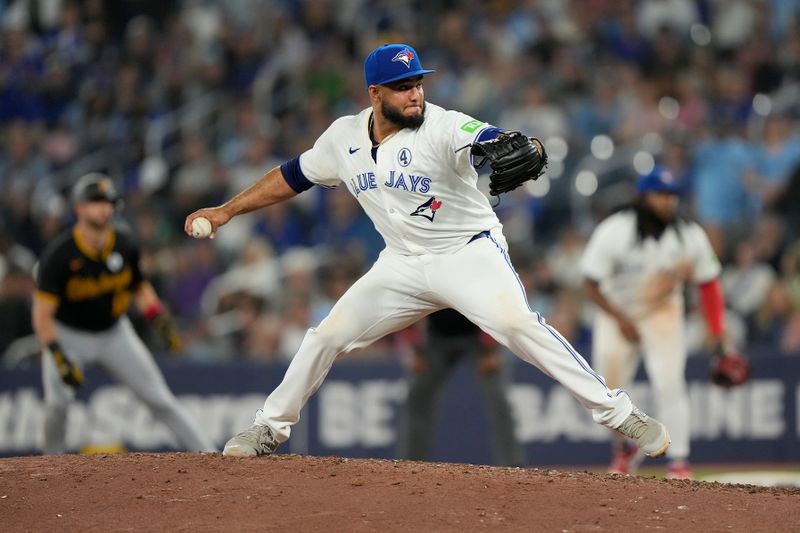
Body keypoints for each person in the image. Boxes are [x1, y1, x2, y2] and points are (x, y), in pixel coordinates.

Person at [184, 43, 670, 460]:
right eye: (401, 86)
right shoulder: (342, 138)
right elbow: (292, 176)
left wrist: (529, 146)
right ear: (375, 94)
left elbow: (489, 138)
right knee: (326, 334)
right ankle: (269, 427)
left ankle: (620, 413)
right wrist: (227, 211)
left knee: (518, 325)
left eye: (417, 82)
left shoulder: (441, 126)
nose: (415, 93)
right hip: (401, 263)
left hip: (467, 254)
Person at [32, 173, 216, 455]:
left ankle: (209, 454)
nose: (103, 207)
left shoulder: (124, 244)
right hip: (69, 336)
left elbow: (139, 288)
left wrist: (160, 322)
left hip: (114, 333)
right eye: (95, 201)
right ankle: (47, 467)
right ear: (78, 208)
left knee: (160, 399)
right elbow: (42, 315)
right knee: (58, 405)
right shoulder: (59, 255)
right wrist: (57, 353)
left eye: (108, 201)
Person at [580, 166, 727, 480]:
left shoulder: (689, 235)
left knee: (670, 385)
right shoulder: (615, 230)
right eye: (661, 195)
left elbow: (709, 283)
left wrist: (718, 334)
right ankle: (625, 450)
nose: (668, 202)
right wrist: (620, 319)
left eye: (672, 195)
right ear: (643, 197)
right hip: (616, 312)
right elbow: (590, 282)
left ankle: (679, 462)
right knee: (606, 391)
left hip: (663, 314)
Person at [398, 309, 526, 466]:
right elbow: (407, 308)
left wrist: (491, 349)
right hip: (436, 338)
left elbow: (490, 303)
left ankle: (512, 464)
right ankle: (410, 465)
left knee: (498, 396)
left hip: (478, 335)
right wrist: (415, 350)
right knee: (417, 396)